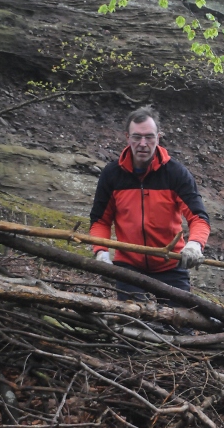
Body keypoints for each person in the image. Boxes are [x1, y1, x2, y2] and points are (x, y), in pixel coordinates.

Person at [89, 106, 210, 301]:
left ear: (158, 137)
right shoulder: (112, 175)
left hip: (170, 264)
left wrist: (195, 245)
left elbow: (199, 217)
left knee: (179, 326)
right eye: (137, 137)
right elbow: (100, 221)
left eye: (149, 137)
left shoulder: (176, 174)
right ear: (127, 137)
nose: (143, 143)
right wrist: (101, 252)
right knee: (132, 326)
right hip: (128, 268)